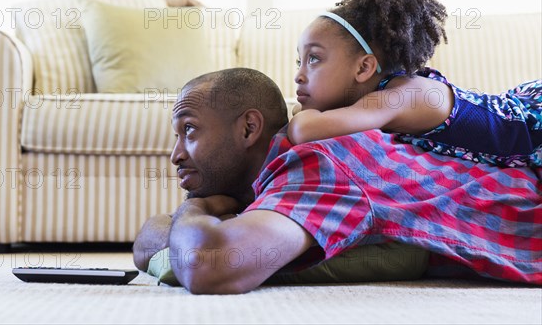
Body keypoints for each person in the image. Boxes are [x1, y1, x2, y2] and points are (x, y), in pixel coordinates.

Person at [133, 67, 541, 294]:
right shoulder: (282, 177)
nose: (177, 154)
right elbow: (150, 246)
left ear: (248, 129)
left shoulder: (315, 163)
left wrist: (196, 207)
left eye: (189, 130)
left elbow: (211, 266)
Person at [288, 0, 542, 168]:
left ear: (364, 68)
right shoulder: (388, 90)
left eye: (314, 59)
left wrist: (303, 115)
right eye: (299, 61)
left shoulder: (400, 97)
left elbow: (304, 129)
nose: (299, 75)